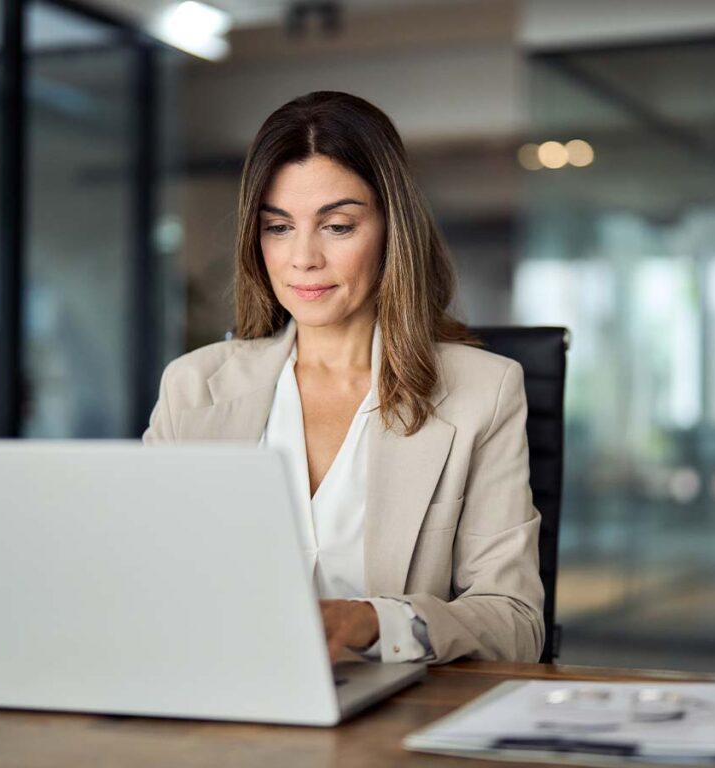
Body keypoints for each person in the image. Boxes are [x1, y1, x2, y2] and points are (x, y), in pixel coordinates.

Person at [144, 91, 543, 665]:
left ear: (389, 230)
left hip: (390, 722)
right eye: (279, 228)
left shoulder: (484, 392)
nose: (303, 258)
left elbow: (516, 623)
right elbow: (143, 578)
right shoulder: (192, 387)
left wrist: (374, 621)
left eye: (336, 226)